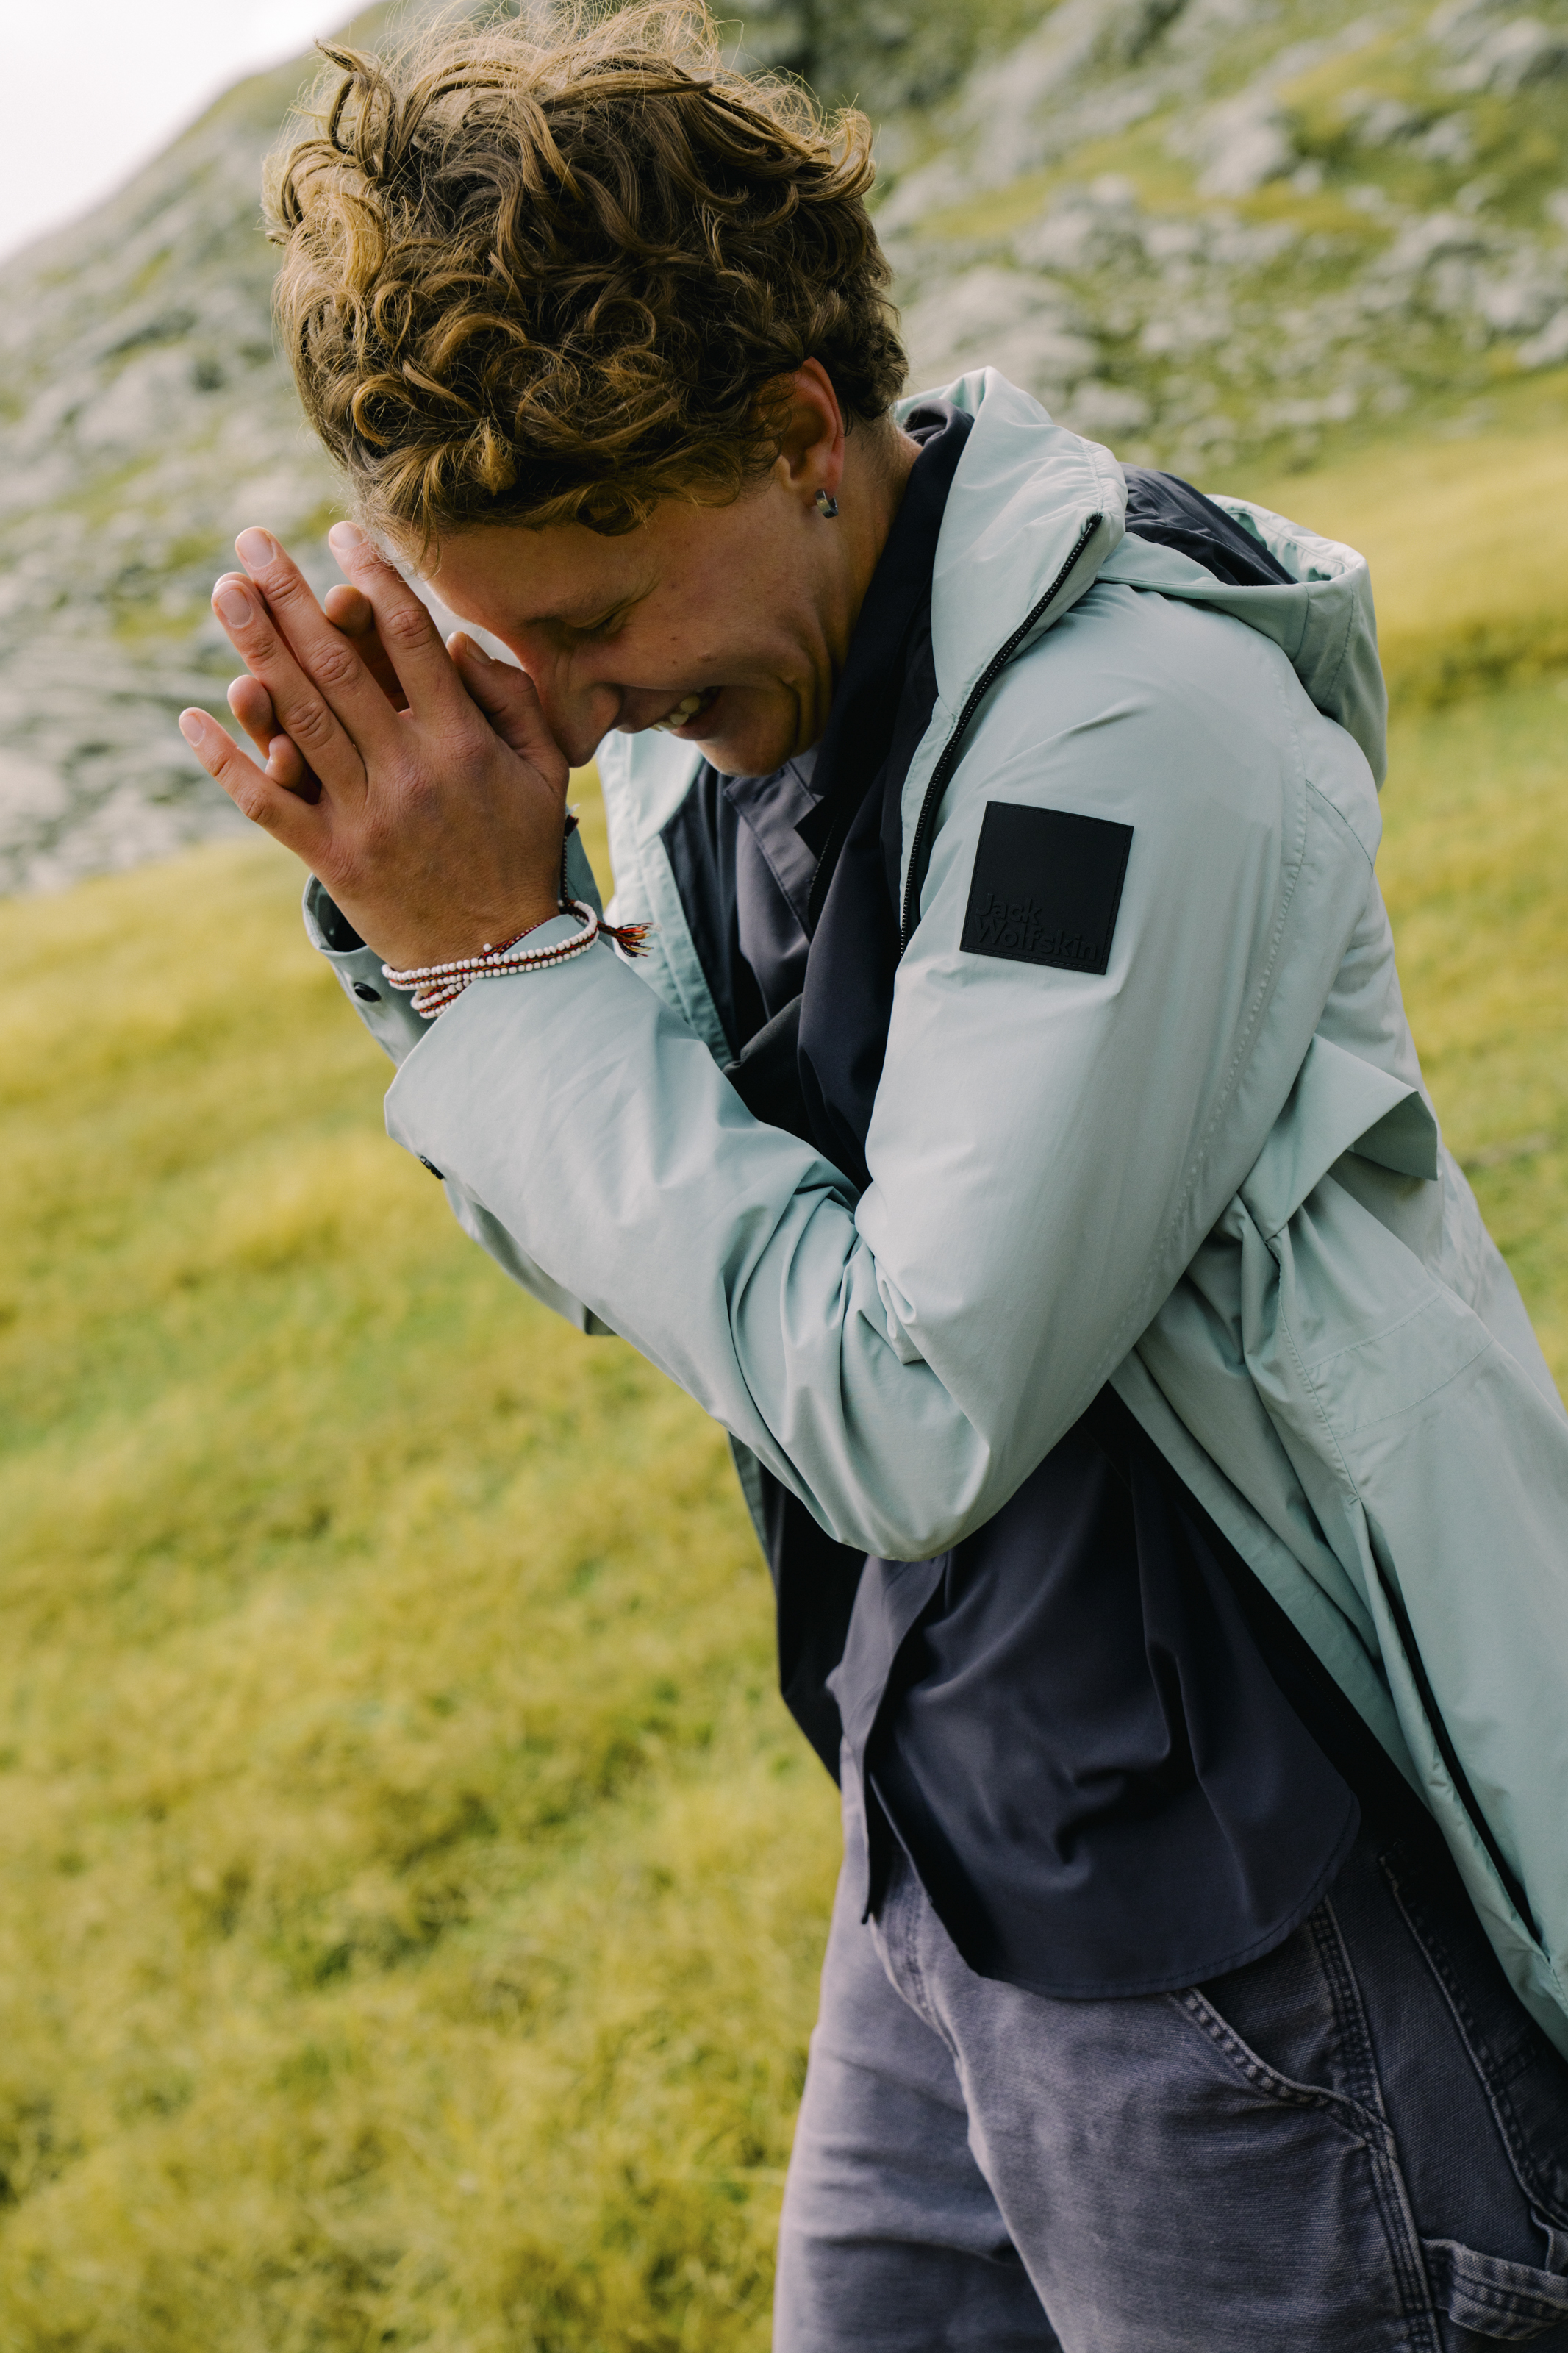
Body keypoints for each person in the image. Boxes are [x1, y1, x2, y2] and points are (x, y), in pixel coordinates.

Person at [177, 7, 1568, 2345]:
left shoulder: (1130, 731)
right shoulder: (727, 716)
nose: (577, 705)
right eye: (520, 643)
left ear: (798, 430)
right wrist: (456, 960)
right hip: (942, 1849)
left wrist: (508, 971)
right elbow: (654, 1245)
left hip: (1258, 1940)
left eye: (597, 623)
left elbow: (908, 1401)